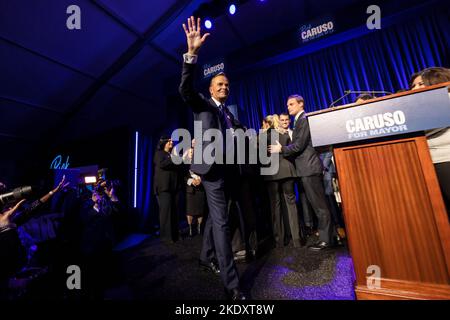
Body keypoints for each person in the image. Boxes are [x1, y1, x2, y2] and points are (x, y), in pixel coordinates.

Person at [179, 16, 245, 300]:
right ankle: (233, 286)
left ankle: (206, 256)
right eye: (219, 84)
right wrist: (192, 54)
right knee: (221, 222)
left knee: (218, 219)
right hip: (211, 172)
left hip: (230, 170)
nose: (223, 88)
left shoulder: (230, 115)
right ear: (210, 89)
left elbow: (238, 135)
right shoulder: (203, 105)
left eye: (227, 85)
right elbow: (184, 89)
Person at [269, 95, 335, 251]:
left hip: (309, 168)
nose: (289, 107)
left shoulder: (303, 119)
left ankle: (327, 240)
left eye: (291, 104)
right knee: (318, 205)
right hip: (306, 168)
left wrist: (282, 149)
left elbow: (299, 145)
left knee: (319, 206)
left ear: (301, 104)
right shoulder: (300, 120)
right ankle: (329, 236)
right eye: (287, 105)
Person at [410, 67, 450, 215]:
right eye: (413, 85)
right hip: (428, 164)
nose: (415, 88)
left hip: (446, 160)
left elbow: (428, 127)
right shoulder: (416, 110)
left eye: (420, 84)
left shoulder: (447, 98)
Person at [262, 115, 304, 248]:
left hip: (271, 173)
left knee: (275, 206)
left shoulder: (264, 136)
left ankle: (279, 241)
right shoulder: (285, 133)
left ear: (266, 123)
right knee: (291, 204)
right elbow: (290, 151)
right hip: (287, 171)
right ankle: (297, 239)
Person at [153, 136, 182, 243]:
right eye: (169, 140)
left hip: (173, 188)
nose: (171, 142)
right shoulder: (159, 154)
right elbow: (163, 164)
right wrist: (174, 157)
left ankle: (174, 235)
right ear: (164, 142)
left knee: (173, 212)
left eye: (171, 140)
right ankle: (166, 237)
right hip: (163, 188)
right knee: (166, 213)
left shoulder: (171, 155)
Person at [185, 141, 206, 237]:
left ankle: (199, 227)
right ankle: (190, 228)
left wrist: (200, 180)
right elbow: (183, 176)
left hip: (200, 187)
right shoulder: (186, 162)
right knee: (190, 210)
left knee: (200, 209)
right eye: (193, 143)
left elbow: (205, 171)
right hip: (190, 188)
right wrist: (191, 181)